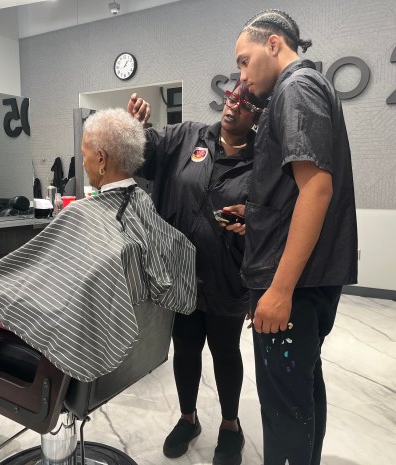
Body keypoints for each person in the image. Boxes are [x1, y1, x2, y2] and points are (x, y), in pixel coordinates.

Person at [0, 108, 196, 387]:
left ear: (102, 159)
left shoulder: (83, 213)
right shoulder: (144, 207)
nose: (85, 163)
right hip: (107, 334)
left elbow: (39, 277)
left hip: (63, 324)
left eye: (85, 155)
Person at [229, 10, 358, 465]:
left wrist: (280, 290)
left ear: (274, 44)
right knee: (300, 391)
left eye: (244, 61)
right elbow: (297, 191)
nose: (241, 78)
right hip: (303, 281)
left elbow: (317, 189)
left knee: (284, 407)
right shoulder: (300, 90)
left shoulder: (296, 89)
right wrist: (258, 216)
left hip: (296, 287)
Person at [126, 82, 264, 465]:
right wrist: (137, 128)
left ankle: (231, 425)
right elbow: (145, 155)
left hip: (227, 275)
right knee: (185, 349)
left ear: (258, 116)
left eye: (246, 104)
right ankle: (188, 419)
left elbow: (272, 214)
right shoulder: (187, 137)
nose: (234, 107)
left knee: (225, 351)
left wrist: (250, 220)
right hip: (179, 275)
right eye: (232, 98)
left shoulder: (260, 160)